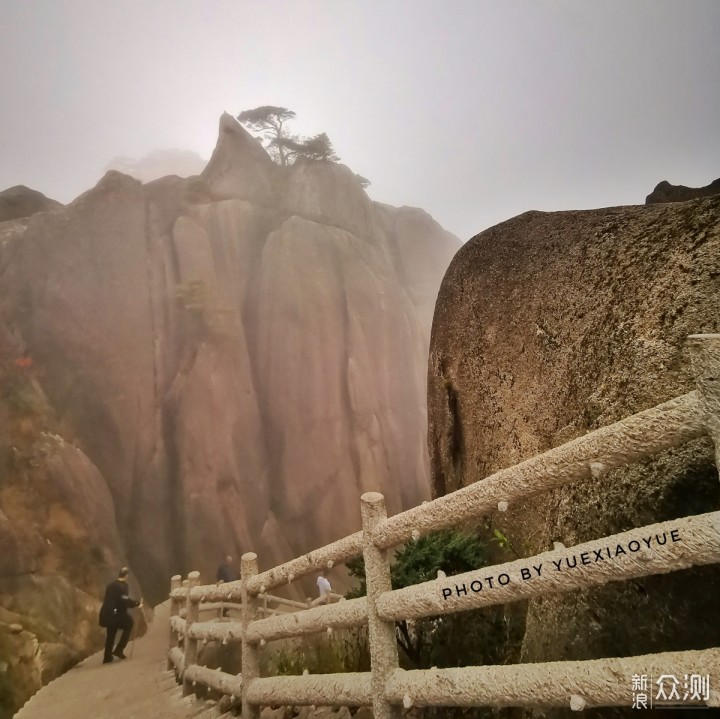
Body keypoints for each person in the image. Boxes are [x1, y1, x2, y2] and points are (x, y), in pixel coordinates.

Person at [99, 567, 142, 664]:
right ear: (126, 575)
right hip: (118, 614)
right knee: (129, 623)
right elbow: (124, 600)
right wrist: (137, 604)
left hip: (107, 613)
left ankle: (107, 657)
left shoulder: (111, 585)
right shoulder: (123, 586)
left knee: (111, 634)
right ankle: (119, 649)